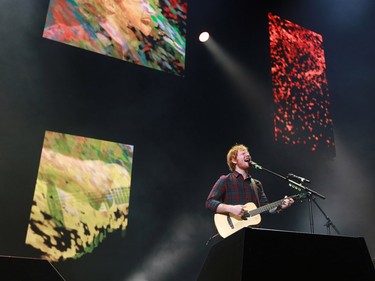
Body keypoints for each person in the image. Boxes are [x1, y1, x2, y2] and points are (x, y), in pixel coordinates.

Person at [206, 144, 294, 234]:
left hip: (252, 233)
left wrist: (280, 206)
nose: (247, 155)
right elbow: (209, 202)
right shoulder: (225, 180)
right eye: (243, 153)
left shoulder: (256, 184)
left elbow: (266, 208)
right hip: (232, 233)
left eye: (248, 154)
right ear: (234, 160)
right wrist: (231, 209)